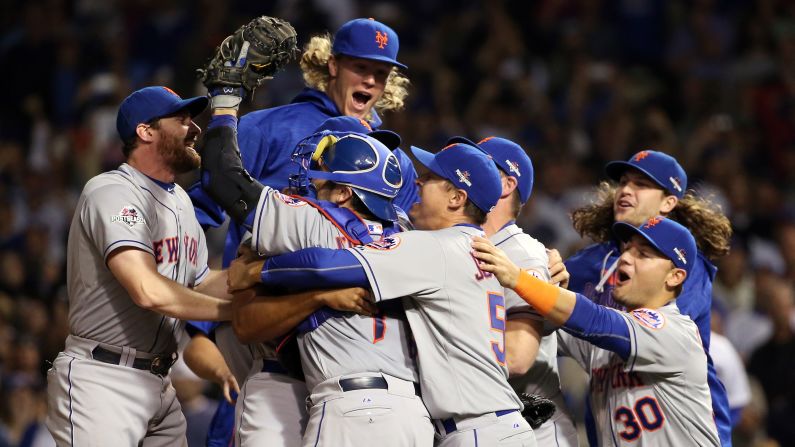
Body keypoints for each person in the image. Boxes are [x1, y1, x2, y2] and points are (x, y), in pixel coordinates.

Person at [239, 143, 537, 446]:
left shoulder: (436, 247)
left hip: (476, 430)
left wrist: (258, 269)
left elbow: (323, 265)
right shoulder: (481, 250)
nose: (418, 182)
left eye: (430, 177)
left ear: (457, 198)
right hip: (493, 423)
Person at [199, 102, 429, 445]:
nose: (313, 173)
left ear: (344, 189)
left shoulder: (301, 220)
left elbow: (224, 178)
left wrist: (267, 273)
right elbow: (246, 322)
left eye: (323, 164)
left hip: (343, 400)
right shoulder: (415, 242)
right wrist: (319, 295)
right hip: (405, 406)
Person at [45, 86, 234, 446]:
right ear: (145, 131)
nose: (194, 128)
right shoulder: (111, 190)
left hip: (159, 381)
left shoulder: (179, 200)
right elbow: (147, 290)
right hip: (102, 380)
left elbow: (200, 281)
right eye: (181, 120)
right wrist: (235, 311)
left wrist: (263, 275)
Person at [472, 216, 721, 446]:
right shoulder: (609, 336)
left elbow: (595, 320)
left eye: (643, 254)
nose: (624, 258)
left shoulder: (674, 331)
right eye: (626, 250)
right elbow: (541, 329)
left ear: (675, 277)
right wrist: (550, 282)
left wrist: (519, 278)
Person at [189, 17, 418, 266]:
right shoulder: (267, 128)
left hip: (351, 293)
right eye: (360, 68)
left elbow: (410, 246)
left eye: (380, 73)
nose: (370, 80)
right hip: (260, 294)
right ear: (333, 65)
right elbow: (204, 205)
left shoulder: (396, 161)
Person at [563, 150, 733, 446]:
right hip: (613, 400)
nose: (626, 190)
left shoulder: (681, 267)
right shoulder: (587, 263)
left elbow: (653, 326)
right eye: (624, 182)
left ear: (668, 202)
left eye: (641, 184)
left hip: (671, 410)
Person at [458, 136, 579, 446]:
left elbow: (517, 358)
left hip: (533, 425)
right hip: (492, 422)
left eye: (480, 164)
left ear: (506, 184)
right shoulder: (465, 245)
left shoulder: (521, 253)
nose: (465, 171)